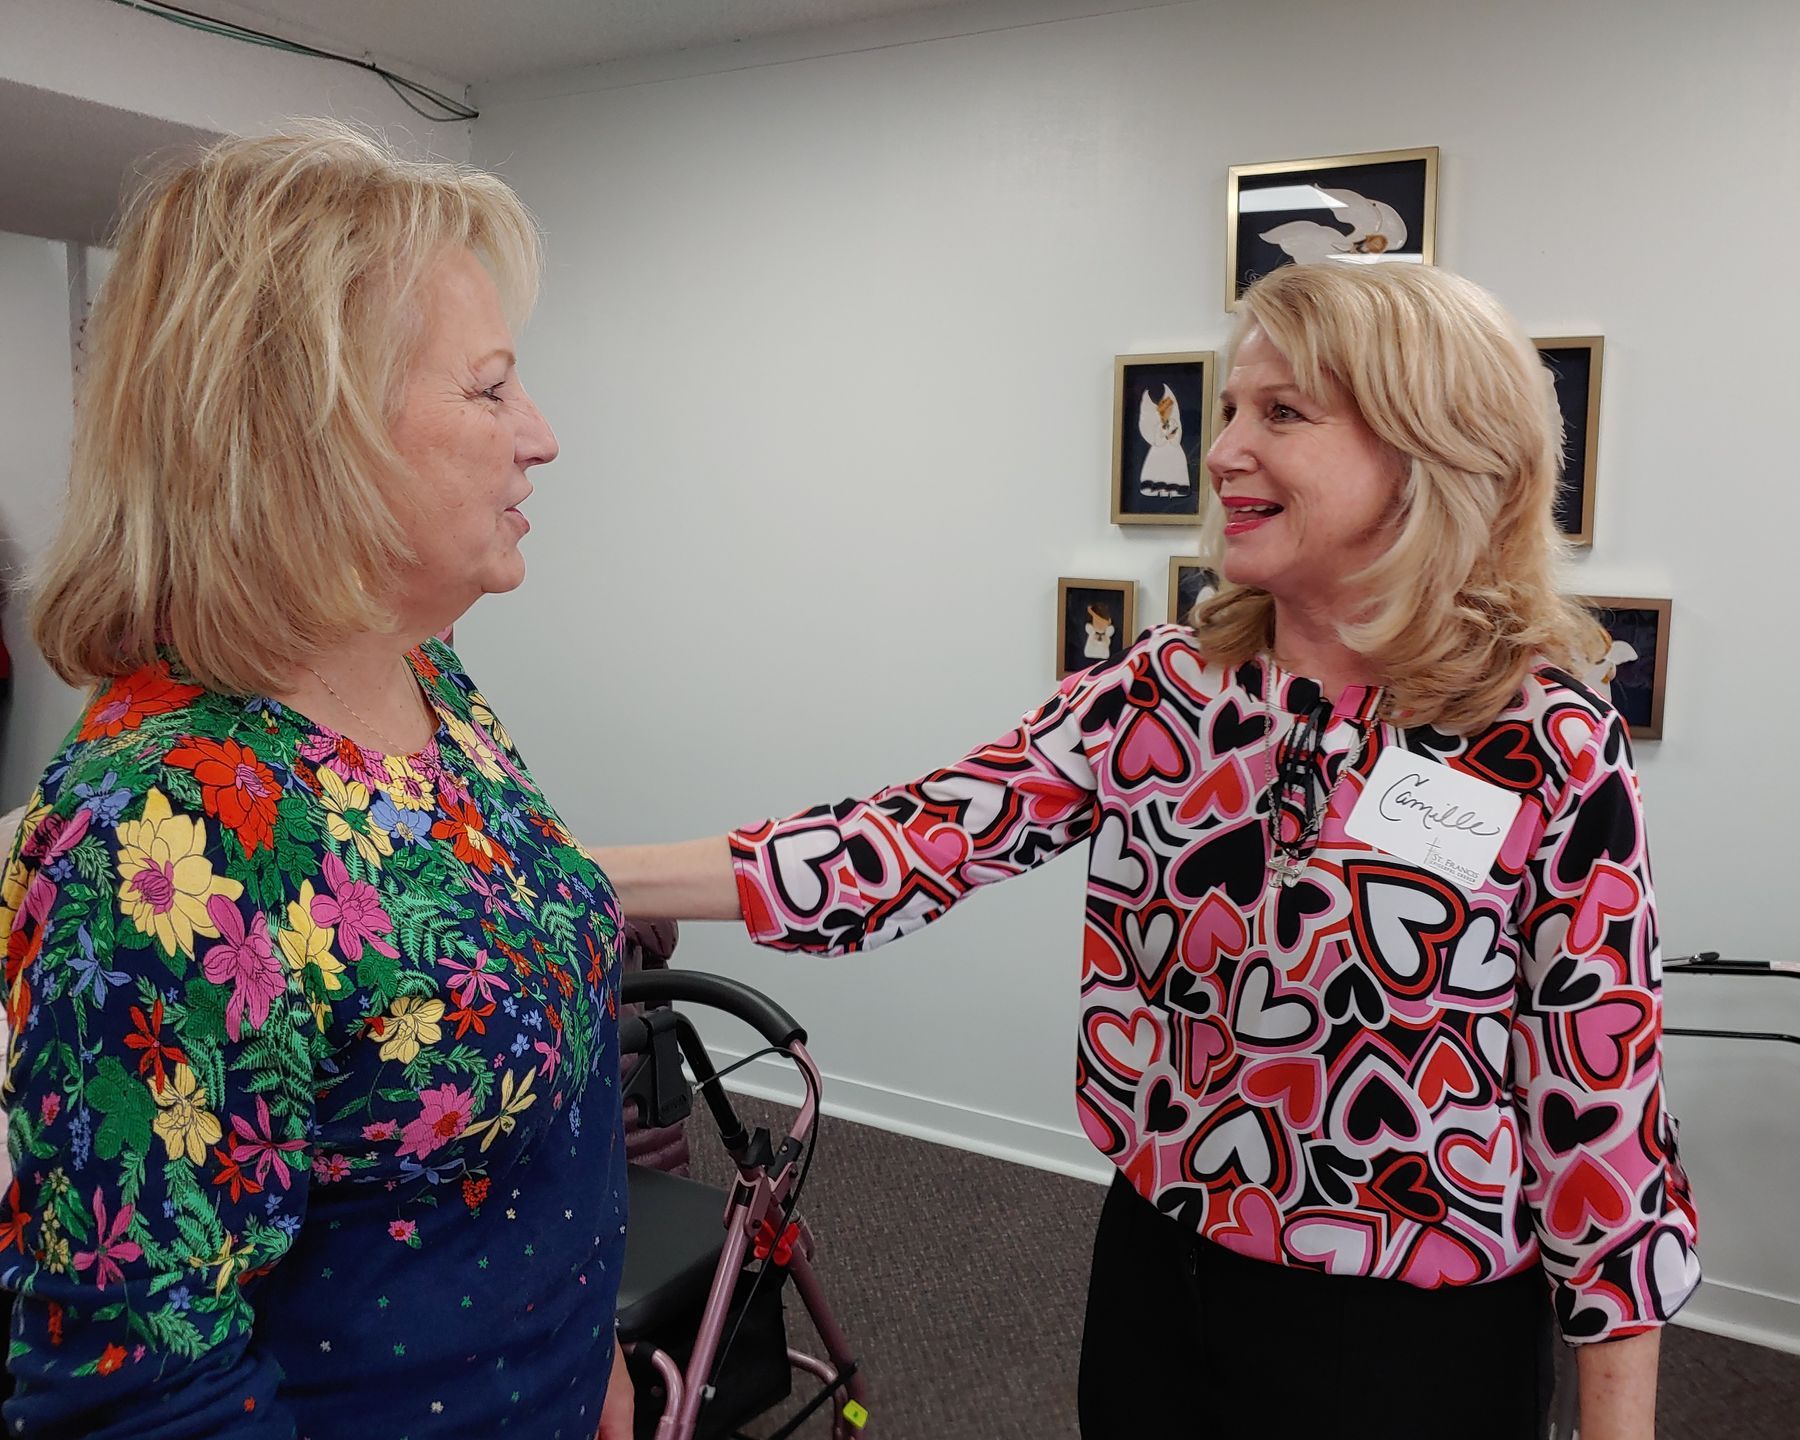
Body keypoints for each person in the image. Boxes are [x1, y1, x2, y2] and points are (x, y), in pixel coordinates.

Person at [598, 263, 1701, 1439]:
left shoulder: (1543, 744)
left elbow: (1603, 1121)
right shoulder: (1168, 694)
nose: (1224, 451)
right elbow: (906, 841)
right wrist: (557, 877)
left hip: (1407, 1335)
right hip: (1158, 1271)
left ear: (1430, 448)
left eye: (1281, 413)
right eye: (1229, 410)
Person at [0, 124, 635, 1439]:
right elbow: (141, 1393)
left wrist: (594, 1360)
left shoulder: (430, 684)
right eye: (490, 388)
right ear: (313, 432)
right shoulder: (157, 831)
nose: (543, 436)